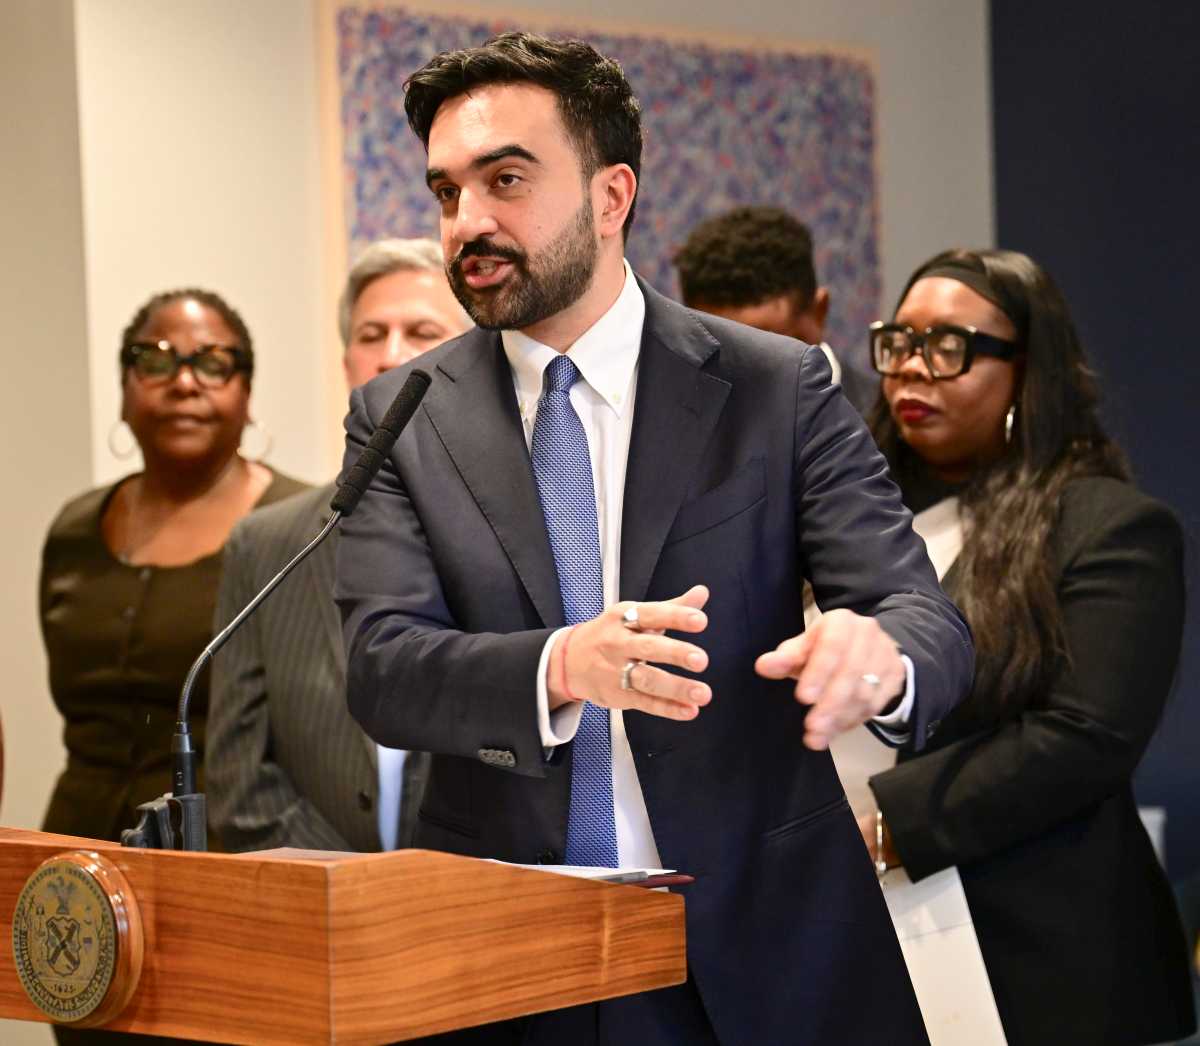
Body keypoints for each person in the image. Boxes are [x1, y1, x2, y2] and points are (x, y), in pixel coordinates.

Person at [335, 33, 974, 1045]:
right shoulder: (402, 412)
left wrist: (879, 655)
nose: (470, 221)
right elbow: (383, 668)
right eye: (447, 191)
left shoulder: (777, 386)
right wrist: (561, 663)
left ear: (610, 194)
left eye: (507, 179)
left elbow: (919, 614)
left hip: (763, 941)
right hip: (511, 953)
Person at [859, 248, 1196, 1046]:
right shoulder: (852, 517)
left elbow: (1085, 739)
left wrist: (875, 828)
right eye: (899, 342)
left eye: (950, 348)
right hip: (863, 938)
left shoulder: (1109, 526)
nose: (913, 369)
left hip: (1041, 953)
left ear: (1028, 372)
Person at [38, 288, 306, 1045]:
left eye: (214, 363)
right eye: (155, 360)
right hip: (74, 890)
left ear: (247, 393)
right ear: (124, 391)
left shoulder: (296, 530)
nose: (184, 380)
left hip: (218, 890)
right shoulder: (71, 530)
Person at [208, 238, 469, 853]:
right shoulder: (266, 543)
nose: (392, 355)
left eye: (421, 330)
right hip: (310, 906)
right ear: (347, 361)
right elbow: (236, 777)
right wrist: (349, 895)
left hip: (472, 903)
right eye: (371, 334)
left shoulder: (534, 535)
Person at [673, 204, 876, 414]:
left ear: (819, 312)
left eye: (766, 350)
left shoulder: (889, 431)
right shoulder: (667, 423)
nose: (742, 378)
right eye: (720, 353)